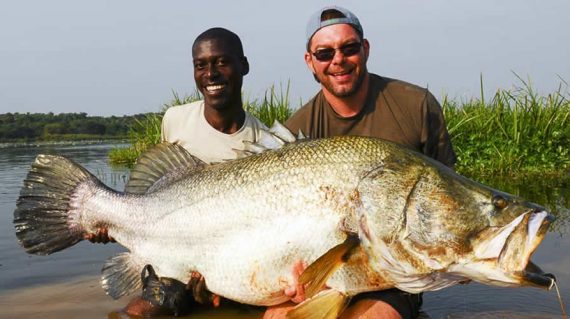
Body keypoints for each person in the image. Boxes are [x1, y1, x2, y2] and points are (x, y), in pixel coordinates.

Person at [271, 5, 457, 319]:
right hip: (321, 267)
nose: (338, 60)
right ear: (310, 62)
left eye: (349, 48)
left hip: (392, 273)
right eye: (325, 53)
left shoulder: (415, 106)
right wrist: (296, 279)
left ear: (365, 49)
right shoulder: (296, 131)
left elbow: (447, 199)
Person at [87, 27, 268, 317]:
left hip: (230, 259)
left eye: (222, 62)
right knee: (149, 306)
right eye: (201, 65)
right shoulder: (175, 120)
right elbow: (153, 187)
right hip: (171, 251)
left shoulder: (265, 141)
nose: (211, 73)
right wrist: (114, 222)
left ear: (243, 65)